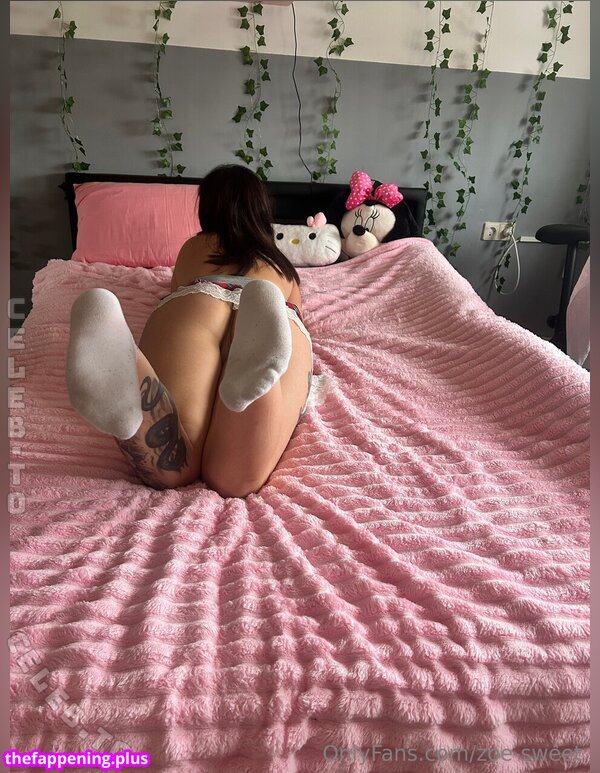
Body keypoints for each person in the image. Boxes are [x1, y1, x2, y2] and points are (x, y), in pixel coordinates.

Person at [66, 164, 313, 497]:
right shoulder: (281, 264)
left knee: (177, 464)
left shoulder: (194, 248)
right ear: (262, 208)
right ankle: (253, 372)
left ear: (207, 208)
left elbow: (176, 288)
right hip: (273, 307)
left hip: (200, 300)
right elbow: (299, 315)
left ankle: (131, 374)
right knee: (233, 480)